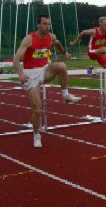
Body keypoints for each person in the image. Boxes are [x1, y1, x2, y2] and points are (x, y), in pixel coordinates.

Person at [13, 14, 81, 148]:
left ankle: (65, 95)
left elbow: (58, 45)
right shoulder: (29, 39)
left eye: (49, 24)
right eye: (44, 24)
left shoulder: (52, 37)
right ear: (38, 25)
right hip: (30, 75)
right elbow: (16, 59)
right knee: (37, 110)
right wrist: (20, 74)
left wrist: (64, 53)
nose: (47, 27)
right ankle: (37, 134)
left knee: (62, 66)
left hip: (44, 70)